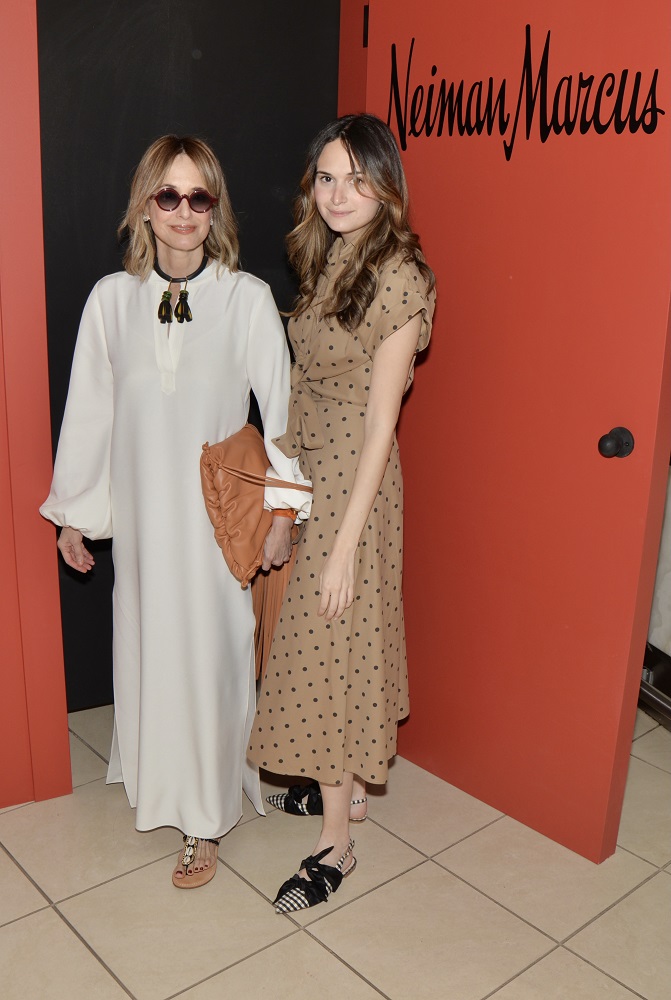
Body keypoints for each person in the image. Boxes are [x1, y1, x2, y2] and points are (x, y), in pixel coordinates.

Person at [40, 135, 311, 888]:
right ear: (145, 206)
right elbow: (89, 415)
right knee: (151, 652)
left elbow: (283, 416)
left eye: (200, 197)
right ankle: (157, 781)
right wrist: (75, 517)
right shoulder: (110, 299)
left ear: (215, 207)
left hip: (216, 527)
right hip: (144, 524)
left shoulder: (245, 298)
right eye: (169, 196)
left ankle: (204, 817)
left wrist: (284, 515)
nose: (184, 212)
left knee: (216, 661)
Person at [247, 113, 436, 912]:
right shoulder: (326, 261)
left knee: (329, 647)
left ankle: (337, 845)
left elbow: (382, 425)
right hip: (315, 471)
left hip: (359, 484)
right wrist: (288, 504)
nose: (337, 194)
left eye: (356, 179)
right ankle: (345, 792)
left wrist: (343, 545)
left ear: (385, 185)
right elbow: (296, 398)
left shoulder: (401, 275)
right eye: (325, 177)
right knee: (337, 645)